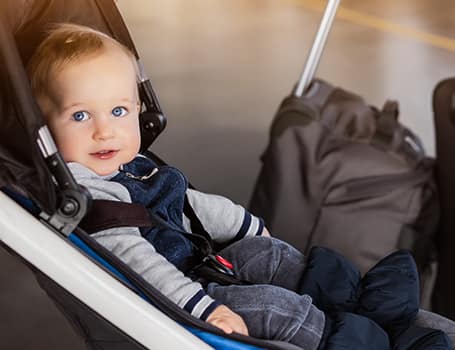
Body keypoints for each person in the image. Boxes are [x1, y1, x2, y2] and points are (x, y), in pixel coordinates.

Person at [26, 23, 451, 350]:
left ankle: (355, 299)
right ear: (45, 128)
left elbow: (192, 204)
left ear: (138, 110)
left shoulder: (131, 165)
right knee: (274, 307)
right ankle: (360, 339)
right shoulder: (88, 193)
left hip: (204, 259)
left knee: (264, 251)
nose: (105, 132)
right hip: (184, 292)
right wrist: (203, 309)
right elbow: (138, 263)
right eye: (80, 116)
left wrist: (246, 226)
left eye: (118, 111)